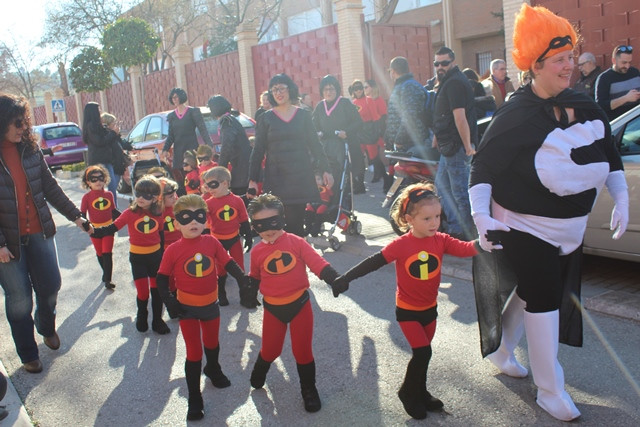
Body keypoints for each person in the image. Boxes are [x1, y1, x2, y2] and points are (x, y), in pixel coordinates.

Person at [469, 4, 628, 421]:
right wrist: (481, 216)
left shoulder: (583, 102)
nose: (569, 66)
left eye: (571, 57)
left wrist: (622, 198)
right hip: (522, 223)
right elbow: (482, 167)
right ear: (535, 65)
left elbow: (609, 153)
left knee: (536, 289)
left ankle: (503, 348)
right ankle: (550, 390)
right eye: (559, 60)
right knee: (544, 297)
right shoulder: (514, 114)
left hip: (568, 228)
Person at [331, 183, 479, 420]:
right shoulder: (401, 245)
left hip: (430, 309)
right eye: (427, 218)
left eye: (438, 216)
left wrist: (485, 244)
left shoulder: (440, 240)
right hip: (408, 311)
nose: (434, 223)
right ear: (409, 219)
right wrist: (345, 278)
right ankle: (407, 392)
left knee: (424, 354)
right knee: (422, 353)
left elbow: (465, 249)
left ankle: (421, 391)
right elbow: (373, 262)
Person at [0, 93, 92, 373]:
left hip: (40, 231)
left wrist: (76, 216)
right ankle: (28, 354)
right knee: (19, 299)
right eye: (18, 123)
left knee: (51, 285)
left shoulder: (30, 149)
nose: (23, 128)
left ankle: (46, 325)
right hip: (7, 243)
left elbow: (50, 187)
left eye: (25, 122)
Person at [156, 194, 249, 421]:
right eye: (186, 218)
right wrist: (170, 302)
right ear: (176, 223)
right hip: (187, 309)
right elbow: (161, 278)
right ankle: (195, 397)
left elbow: (228, 262)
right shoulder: (173, 249)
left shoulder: (212, 242)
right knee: (194, 352)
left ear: (206, 219)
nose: (193, 222)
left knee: (212, 342)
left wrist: (244, 280)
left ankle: (214, 369)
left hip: (211, 305)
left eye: (199, 216)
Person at [246, 193, 341, 413]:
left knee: (303, 352)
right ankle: (260, 371)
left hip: (299, 305)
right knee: (270, 350)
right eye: (261, 224)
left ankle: (309, 390)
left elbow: (316, 261)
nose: (269, 229)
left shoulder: (296, 242)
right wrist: (249, 293)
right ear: (254, 226)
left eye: (274, 222)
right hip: (273, 309)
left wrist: (333, 277)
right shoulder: (258, 251)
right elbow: (255, 275)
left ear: (283, 218)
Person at [248, 73, 334, 237]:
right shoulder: (266, 118)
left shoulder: (303, 115)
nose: (278, 93)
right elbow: (258, 150)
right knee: (279, 225)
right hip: (276, 178)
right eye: (274, 90)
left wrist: (326, 170)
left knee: (296, 224)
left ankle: (299, 259)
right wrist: (252, 179)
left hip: (299, 177)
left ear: (290, 90)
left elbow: (316, 145)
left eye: (281, 88)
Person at [91, 175, 171, 335]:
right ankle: (142, 315)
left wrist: (163, 255)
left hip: (155, 258)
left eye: (147, 195)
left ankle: (157, 320)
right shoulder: (129, 213)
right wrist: (94, 230)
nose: (141, 198)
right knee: (142, 292)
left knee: (157, 291)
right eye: (138, 193)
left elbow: (161, 234)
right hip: (138, 259)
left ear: (156, 197)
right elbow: (113, 227)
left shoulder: (158, 213)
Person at [432, 46, 478, 241]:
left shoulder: (454, 84)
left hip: (456, 147)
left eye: (444, 63)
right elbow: (446, 117)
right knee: (442, 186)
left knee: (459, 192)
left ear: (453, 63)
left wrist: (467, 145)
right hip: (449, 147)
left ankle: (468, 235)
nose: (440, 67)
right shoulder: (449, 81)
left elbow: (460, 117)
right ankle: (456, 228)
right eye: (437, 63)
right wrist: (437, 137)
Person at [202, 166, 252, 306]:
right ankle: (221, 294)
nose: (209, 189)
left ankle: (245, 296)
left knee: (240, 268)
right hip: (217, 242)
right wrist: (206, 239)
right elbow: (205, 223)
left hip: (234, 239)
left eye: (213, 185)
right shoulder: (208, 203)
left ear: (225, 183)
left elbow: (243, 219)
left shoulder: (237, 200)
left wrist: (248, 235)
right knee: (221, 269)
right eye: (207, 185)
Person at [313, 75, 365, 194]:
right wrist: (318, 132)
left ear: (336, 89)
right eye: (326, 89)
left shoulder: (345, 103)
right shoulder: (320, 106)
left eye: (331, 89)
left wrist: (346, 132)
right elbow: (313, 124)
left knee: (344, 174)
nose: (329, 92)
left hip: (344, 144)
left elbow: (358, 122)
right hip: (327, 147)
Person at [161, 88, 213, 191]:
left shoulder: (193, 112)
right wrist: (165, 149)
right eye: (172, 98)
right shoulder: (171, 116)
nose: (174, 99)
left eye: (176, 97)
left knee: (193, 178)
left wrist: (209, 145)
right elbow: (171, 135)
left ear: (181, 97)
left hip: (191, 150)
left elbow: (203, 129)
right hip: (179, 152)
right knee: (181, 182)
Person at [80, 165, 120, 290]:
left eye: (100, 178)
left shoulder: (109, 195)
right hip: (94, 229)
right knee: (100, 253)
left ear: (105, 179)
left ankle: (108, 279)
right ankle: (105, 273)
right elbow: (82, 214)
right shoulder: (86, 197)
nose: (98, 182)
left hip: (109, 228)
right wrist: (86, 226)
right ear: (88, 182)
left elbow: (114, 211)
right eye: (94, 179)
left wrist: (129, 216)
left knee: (107, 253)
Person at [385, 57, 433, 158]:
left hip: (410, 143)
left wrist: (399, 140)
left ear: (393, 71)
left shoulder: (408, 87)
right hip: (406, 143)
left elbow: (409, 117)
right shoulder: (403, 85)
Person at [207, 95, 252, 195]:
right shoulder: (230, 119)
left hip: (240, 167)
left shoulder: (226, 121)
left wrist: (220, 168)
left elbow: (227, 145)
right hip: (242, 164)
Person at [83, 102, 123, 201]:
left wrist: (114, 132)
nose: (100, 111)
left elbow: (109, 139)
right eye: (98, 109)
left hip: (107, 159)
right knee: (99, 186)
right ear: (93, 112)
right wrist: (113, 133)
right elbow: (100, 141)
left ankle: (113, 209)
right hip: (98, 161)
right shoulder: (90, 126)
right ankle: (102, 208)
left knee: (112, 185)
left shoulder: (99, 125)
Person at [595, 44, 640, 120]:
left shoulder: (635, 72)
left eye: (629, 62)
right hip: (618, 126)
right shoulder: (604, 78)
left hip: (636, 122)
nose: (627, 66)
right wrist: (626, 98)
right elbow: (601, 106)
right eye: (624, 63)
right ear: (614, 60)